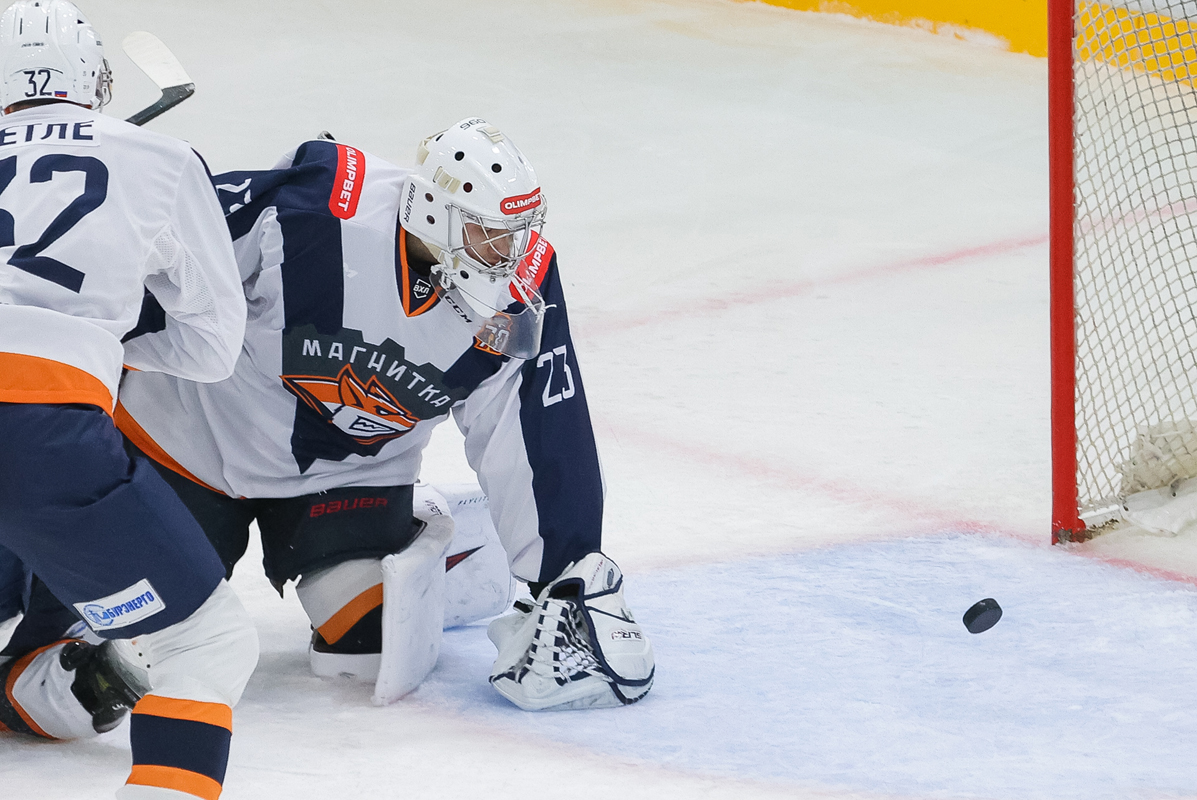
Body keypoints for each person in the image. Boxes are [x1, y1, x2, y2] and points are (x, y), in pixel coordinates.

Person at [116, 118, 655, 710]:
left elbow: (535, 427)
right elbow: (153, 264)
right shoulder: (313, 214)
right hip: (186, 446)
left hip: (349, 474)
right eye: (491, 236)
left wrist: (563, 571)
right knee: (132, 649)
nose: (510, 256)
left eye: (519, 234)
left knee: (368, 650)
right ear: (434, 214)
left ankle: (428, 538)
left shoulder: (520, 291)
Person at [0, 2, 259, 797]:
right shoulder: (159, 158)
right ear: (92, 78)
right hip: (40, 431)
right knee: (203, 644)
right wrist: (101, 340)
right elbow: (212, 346)